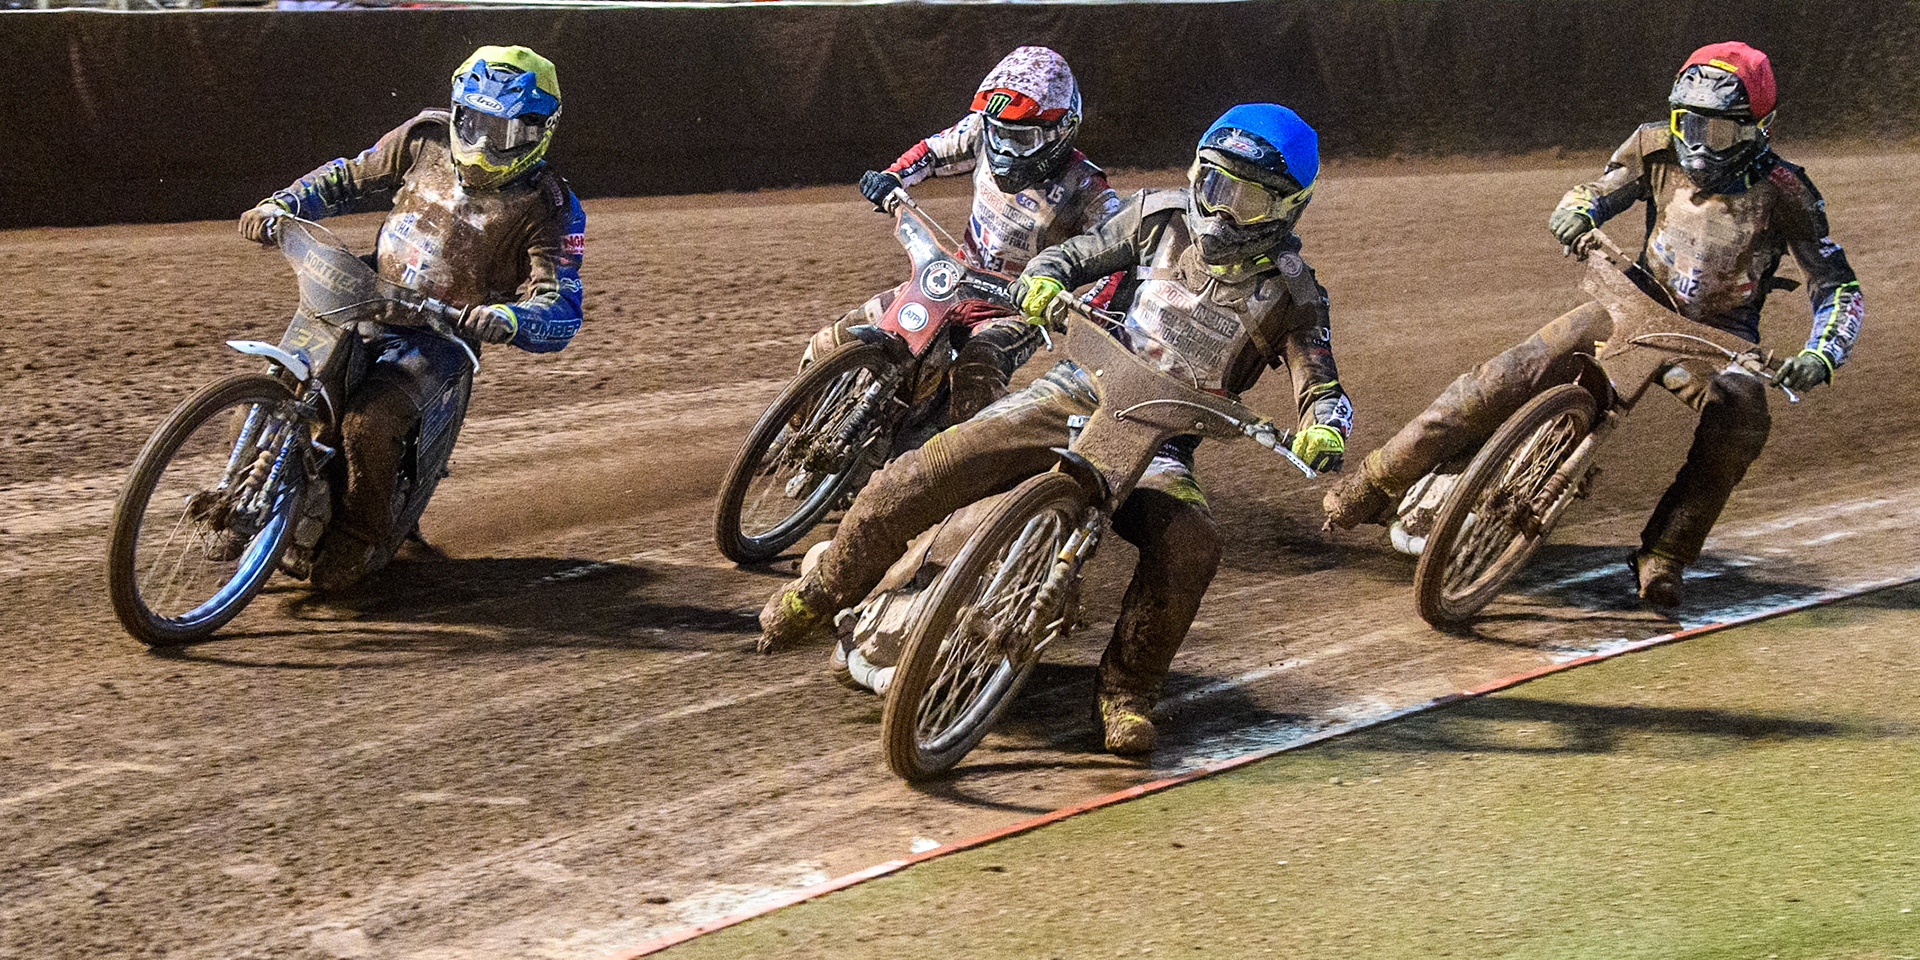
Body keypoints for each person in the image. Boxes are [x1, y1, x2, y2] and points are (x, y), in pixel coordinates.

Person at [762, 104, 1353, 756]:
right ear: (1196, 176)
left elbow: (1319, 379)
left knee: (1192, 546)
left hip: (1164, 438)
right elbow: (1080, 253)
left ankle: (1126, 693)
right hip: (1079, 386)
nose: (1221, 211)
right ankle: (819, 592)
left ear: (1286, 208)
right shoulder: (1158, 216)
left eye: (1245, 198)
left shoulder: (1295, 294)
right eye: (1213, 185)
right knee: (929, 468)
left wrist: (1323, 427)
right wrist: (1045, 277)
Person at [1323, 41, 1862, 609]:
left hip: (1717, 341)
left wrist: (1822, 353)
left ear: (1760, 128)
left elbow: (1838, 285)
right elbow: (1601, 190)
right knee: (1508, 372)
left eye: (1719, 132)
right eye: (1688, 124)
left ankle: (1665, 555)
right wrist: (1577, 209)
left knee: (1741, 423)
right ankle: (1373, 482)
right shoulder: (1655, 146)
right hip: (1634, 301)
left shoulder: (1787, 191)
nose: (1698, 144)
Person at [237, 44, 587, 590]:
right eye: (472, 125)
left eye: (503, 134)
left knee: (367, 424)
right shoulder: (424, 137)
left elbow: (561, 303)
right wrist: (283, 205)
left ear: (539, 132)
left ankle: (359, 536)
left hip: (441, 334)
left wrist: (509, 317)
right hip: (361, 294)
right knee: (278, 381)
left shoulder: (550, 205)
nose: (481, 145)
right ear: (456, 111)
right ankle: (241, 492)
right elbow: (348, 177)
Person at [806, 45, 1121, 427]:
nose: (1004, 148)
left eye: (1020, 140)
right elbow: (932, 151)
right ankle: (794, 423)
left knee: (976, 375)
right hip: (952, 277)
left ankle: (965, 470)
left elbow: (1119, 251)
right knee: (838, 338)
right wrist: (893, 177)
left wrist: (1087, 306)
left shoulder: (1086, 185)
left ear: (1061, 130)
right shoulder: (980, 132)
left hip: (1015, 307)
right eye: (998, 134)